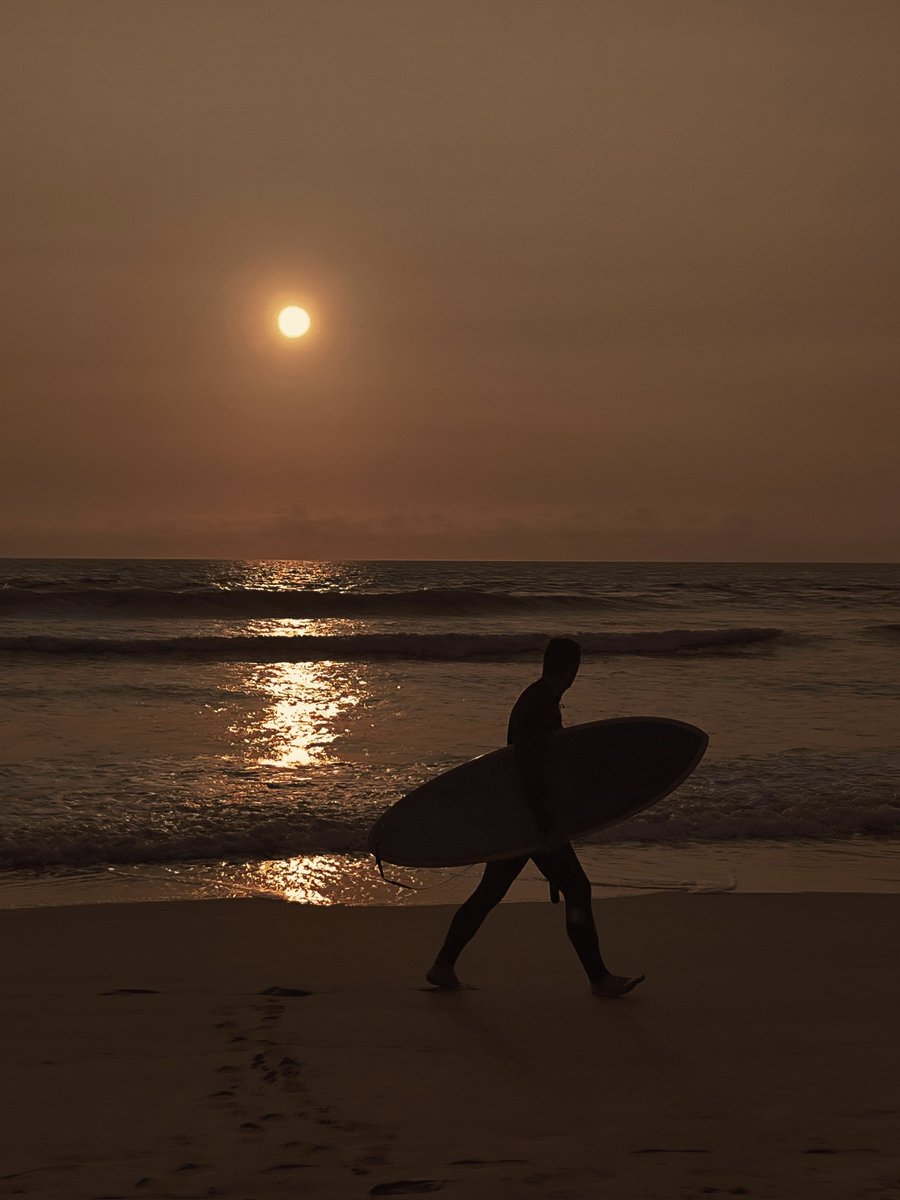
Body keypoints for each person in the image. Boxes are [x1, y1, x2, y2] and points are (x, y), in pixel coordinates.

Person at [426, 637, 645, 998]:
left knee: (489, 892)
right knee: (577, 888)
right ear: (572, 668)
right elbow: (529, 772)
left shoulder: (540, 700)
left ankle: (443, 965)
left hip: (519, 818)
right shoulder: (538, 706)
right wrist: (546, 828)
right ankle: (599, 979)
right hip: (530, 821)